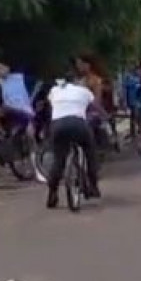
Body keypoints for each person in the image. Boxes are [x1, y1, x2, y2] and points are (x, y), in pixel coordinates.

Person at [46, 74, 100, 208]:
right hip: (78, 124)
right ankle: (93, 185)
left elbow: (51, 104)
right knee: (90, 151)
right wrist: (104, 117)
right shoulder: (84, 91)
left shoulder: (55, 90)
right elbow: (95, 107)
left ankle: (52, 193)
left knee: (58, 159)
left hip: (58, 125)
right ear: (77, 81)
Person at [0, 61, 35, 138]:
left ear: (7, 68)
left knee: (28, 125)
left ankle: (33, 145)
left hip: (23, 109)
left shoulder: (20, 78)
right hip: (9, 110)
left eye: (1, 68)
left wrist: (33, 98)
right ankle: (0, 132)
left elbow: (38, 83)